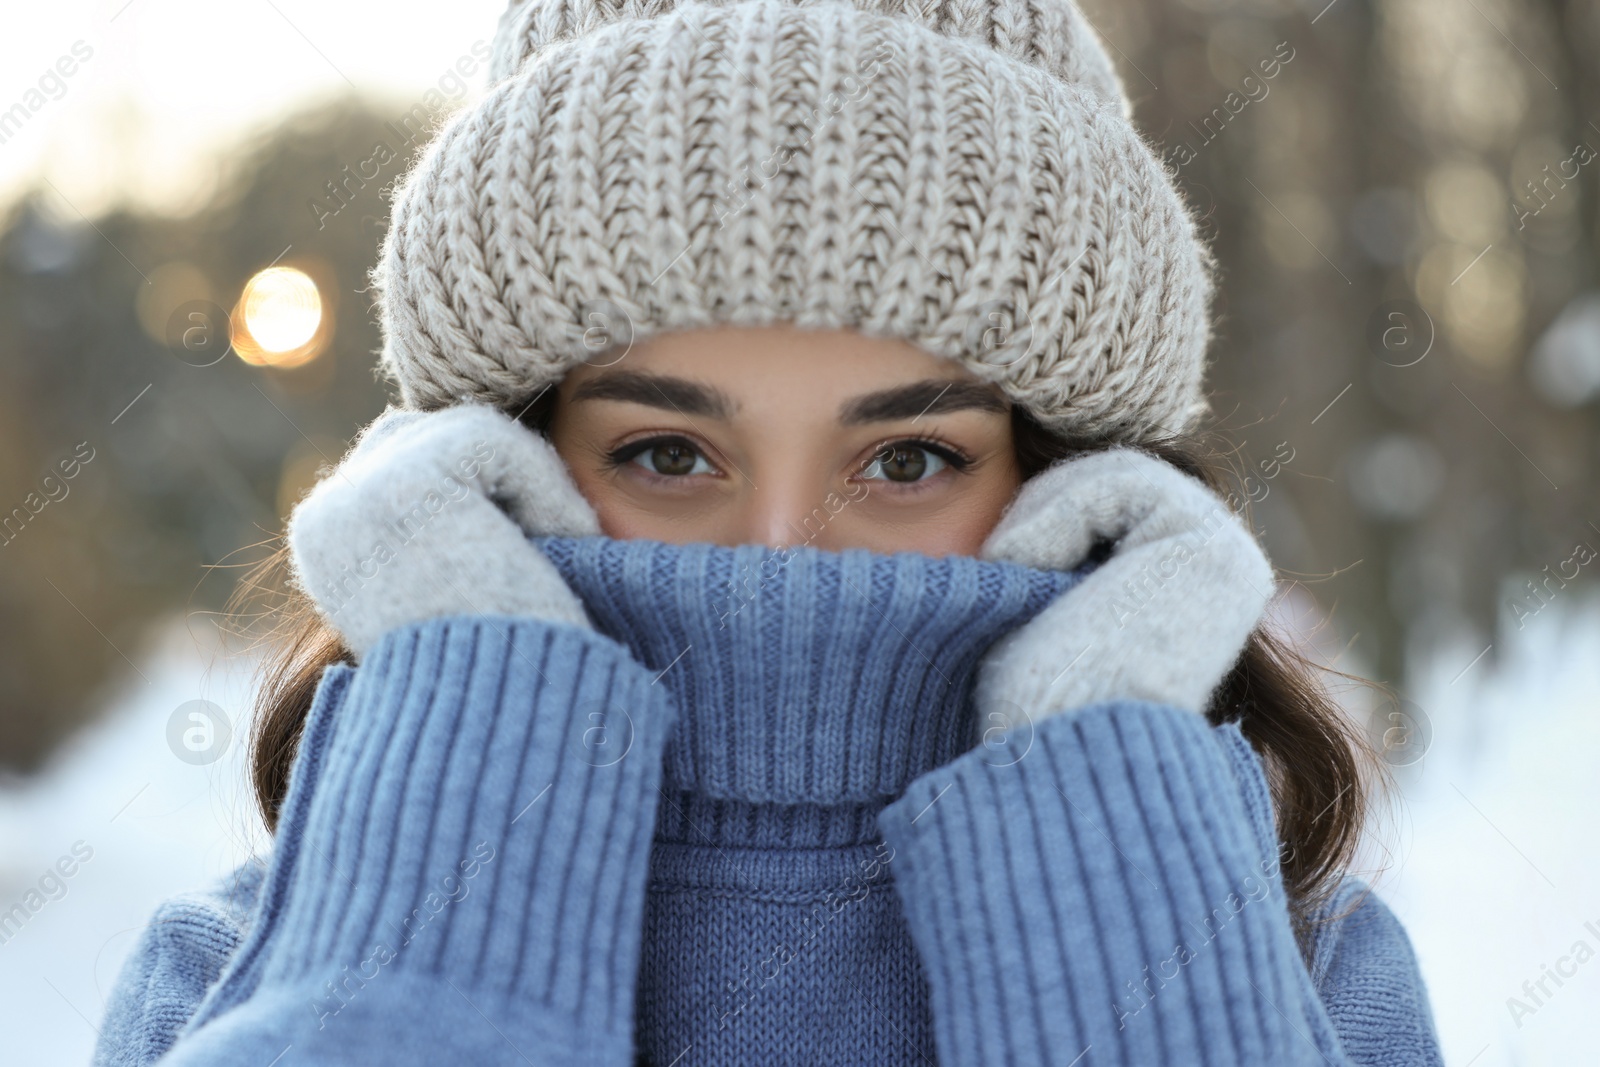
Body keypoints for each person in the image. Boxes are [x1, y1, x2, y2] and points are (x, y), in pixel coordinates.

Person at [92, 0, 1445, 1063]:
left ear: (1067, 486)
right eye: (667, 453)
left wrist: (1105, 832)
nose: (781, 552)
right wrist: (464, 832)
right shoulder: (225, 987)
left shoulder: (1308, 983)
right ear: (497, 465)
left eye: (907, 458)